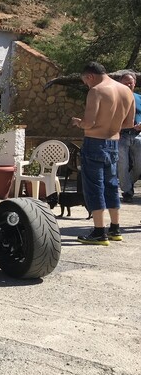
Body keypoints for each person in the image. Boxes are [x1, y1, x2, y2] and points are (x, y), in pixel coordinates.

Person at [70, 62, 135, 245]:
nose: (86, 85)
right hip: (114, 142)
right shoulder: (126, 91)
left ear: (90, 76)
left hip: (94, 143)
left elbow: (89, 123)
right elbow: (129, 123)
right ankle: (115, 228)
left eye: (85, 82)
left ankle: (99, 231)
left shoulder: (97, 90)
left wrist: (78, 122)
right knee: (111, 185)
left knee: (94, 186)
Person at [117, 71, 141, 203]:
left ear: (134, 83)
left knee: (139, 165)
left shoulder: (140, 98)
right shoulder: (115, 98)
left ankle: (128, 182)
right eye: (125, 82)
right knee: (122, 165)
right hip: (121, 136)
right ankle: (127, 191)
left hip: (138, 136)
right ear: (120, 84)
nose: (128, 84)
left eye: (130, 82)